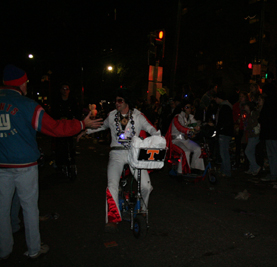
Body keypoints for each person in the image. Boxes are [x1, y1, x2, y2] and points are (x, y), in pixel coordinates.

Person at [0, 65, 103, 260]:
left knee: (1, 209)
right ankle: (33, 249)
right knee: (29, 207)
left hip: (2, 166)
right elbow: (55, 128)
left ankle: (3, 249)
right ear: (21, 83)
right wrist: (82, 124)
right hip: (24, 166)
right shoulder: (27, 105)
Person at [77, 89, 160, 233]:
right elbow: (100, 126)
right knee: (112, 185)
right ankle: (112, 219)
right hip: (116, 153)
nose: (117, 103)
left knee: (146, 185)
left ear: (126, 101)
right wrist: (85, 131)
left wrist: (159, 140)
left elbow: (151, 129)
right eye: (115, 101)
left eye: (120, 100)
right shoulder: (111, 116)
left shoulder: (138, 116)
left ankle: (142, 210)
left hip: (134, 153)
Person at [51, 82, 82, 171]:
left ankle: (71, 161)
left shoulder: (72, 101)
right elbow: (53, 113)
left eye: (67, 89)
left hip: (69, 126)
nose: (65, 91)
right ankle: (59, 162)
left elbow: (77, 113)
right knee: (59, 144)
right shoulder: (57, 101)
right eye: (63, 89)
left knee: (70, 144)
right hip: (59, 126)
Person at [167, 101, 204, 174]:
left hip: (185, 140)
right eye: (187, 107)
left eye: (190, 107)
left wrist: (203, 125)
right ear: (182, 108)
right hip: (176, 141)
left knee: (198, 149)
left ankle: (195, 168)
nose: (189, 109)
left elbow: (196, 124)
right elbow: (180, 127)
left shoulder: (190, 117)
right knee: (186, 152)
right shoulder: (177, 117)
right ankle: (182, 171)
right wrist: (190, 130)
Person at [258, 79, 277, 182]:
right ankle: (273, 172)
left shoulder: (269, 101)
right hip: (274, 131)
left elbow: (264, 116)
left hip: (269, 131)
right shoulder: (276, 100)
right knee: (273, 152)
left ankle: (274, 173)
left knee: (271, 153)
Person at [214, 91, 234, 177]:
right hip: (225, 132)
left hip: (224, 132)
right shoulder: (226, 106)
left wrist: (219, 128)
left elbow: (224, 121)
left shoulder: (224, 107)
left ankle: (227, 171)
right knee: (223, 151)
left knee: (224, 152)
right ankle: (223, 169)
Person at [242, 102, 261, 176]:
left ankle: (256, 167)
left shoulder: (253, 113)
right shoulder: (249, 114)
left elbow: (255, 123)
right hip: (251, 135)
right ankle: (252, 168)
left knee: (248, 151)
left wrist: (248, 127)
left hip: (254, 134)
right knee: (251, 152)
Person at [232, 91, 249, 168]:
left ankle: (246, 163)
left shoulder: (247, 105)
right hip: (239, 128)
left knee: (245, 146)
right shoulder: (236, 106)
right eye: (240, 96)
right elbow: (234, 116)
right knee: (238, 146)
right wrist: (236, 121)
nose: (241, 98)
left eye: (243, 96)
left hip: (245, 129)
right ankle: (237, 161)